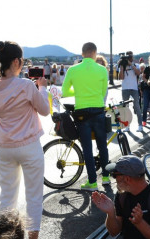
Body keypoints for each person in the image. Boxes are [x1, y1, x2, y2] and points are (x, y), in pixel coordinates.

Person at [0, 41, 51, 239]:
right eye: (22, 61)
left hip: (5, 147)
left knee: (7, 195)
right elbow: (44, 111)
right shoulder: (26, 85)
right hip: (29, 145)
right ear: (16, 61)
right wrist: (41, 86)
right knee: (33, 194)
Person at [62, 42, 110, 191]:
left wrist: (78, 92)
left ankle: (92, 182)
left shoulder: (73, 69)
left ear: (82, 54)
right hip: (98, 110)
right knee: (102, 145)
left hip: (81, 113)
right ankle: (106, 177)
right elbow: (103, 93)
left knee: (87, 149)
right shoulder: (102, 70)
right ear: (95, 53)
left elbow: (64, 91)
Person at [119, 51, 144, 133]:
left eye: (130, 56)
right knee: (126, 108)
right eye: (127, 57)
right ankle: (127, 126)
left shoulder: (135, 65)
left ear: (132, 57)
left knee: (137, 107)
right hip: (125, 88)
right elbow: (121, 78)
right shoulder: (122, 66)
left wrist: (131, 64)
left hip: (134, 89)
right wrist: (122, 67)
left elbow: (138, 73)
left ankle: (140, 125)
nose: (129, 58)